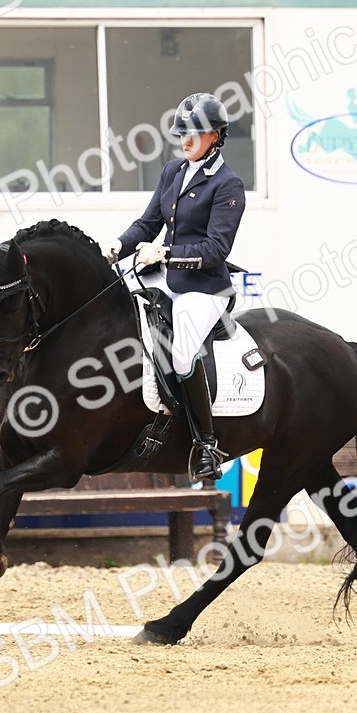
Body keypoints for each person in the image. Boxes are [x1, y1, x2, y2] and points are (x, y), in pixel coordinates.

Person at [102, 92, 246, 482]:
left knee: (182, 355)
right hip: (165, 279)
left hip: (204, 288)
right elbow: (148, 224)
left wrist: (165, 254)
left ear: (215, 136)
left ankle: (206, 445)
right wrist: (118, 246)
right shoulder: (172, 171)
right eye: (182, 133)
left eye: (195, 134)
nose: (185, 141)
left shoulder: (228, 185)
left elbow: (216, 249)